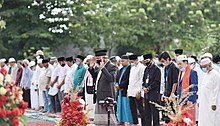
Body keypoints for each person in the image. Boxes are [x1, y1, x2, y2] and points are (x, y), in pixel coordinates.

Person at [94, 49, 117, 125]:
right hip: (99, 94)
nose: (98, 61)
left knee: (108, 117)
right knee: (99, 116)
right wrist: (91, 69)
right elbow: (96, 78)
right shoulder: (99, 67)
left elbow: (111, 79)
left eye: (99, 59)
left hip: (107, 96)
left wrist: (103, 68)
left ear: (104, 58)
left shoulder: (111, 67)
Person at [176, 55, 198, 124]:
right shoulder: (180, 73)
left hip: (189, 102)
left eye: (180, 64)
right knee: (182, 120)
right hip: (181, 101)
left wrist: (190, 100)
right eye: (178, 64)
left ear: (185, 63)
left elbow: (194, 87)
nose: (179, 66)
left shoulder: (192, 72)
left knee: (189, 121)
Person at [198, 58, 220, 126]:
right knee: (203, 120)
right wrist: (199, 100)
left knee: (211, 120)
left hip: (211, 103)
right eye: (202, 67)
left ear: (209, 65)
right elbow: (202, 88)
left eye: (205, 67)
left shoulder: (216, 75)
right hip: (203, 102)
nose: (204, 69)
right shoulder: (206, 75)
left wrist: (214, 103)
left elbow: (216, 90)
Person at [159, 52, 179, 123]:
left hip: (173, 93)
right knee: (166, 113)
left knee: (173, 113)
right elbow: (165, 81)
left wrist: (172, 93)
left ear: (168, 59)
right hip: (166, 92)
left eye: (163, 61)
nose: (162, 63)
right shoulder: (166, 67)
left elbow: (175, 82)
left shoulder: (174, 67)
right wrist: (164, 93)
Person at [142, 54, 161, 126]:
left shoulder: (156, 69)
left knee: (155, 114)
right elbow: (144, 80)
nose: (146, 62)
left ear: (151, 60)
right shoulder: (146, 69)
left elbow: (157, 81)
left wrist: (149, 88)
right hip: (146, 94)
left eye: (147, 60)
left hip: (153, 94)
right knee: (147, 113)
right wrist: (144, 87)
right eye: (145, 61)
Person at [127, 54, 146, 126]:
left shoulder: (142, 67)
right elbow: (130, 80)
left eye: (132, 61)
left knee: (140, 108)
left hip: (137, 91)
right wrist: (128, 90)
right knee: (132, 108)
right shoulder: (132, 68)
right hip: (131, 90)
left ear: (135, 60)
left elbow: (142, 80)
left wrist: (139, 91)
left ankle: (144, 123)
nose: (131, 63)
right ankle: (135, 122)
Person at [115, 55, 133, 125]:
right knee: (120, 106)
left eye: (123, 61)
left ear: (128, 60)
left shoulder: (130, 69)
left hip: (126, 90)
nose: (121, 63)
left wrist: (120, 86)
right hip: (120, 90)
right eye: (121, 61)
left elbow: (127, 80)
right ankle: (121, 120)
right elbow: (117, 78)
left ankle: (128, 120)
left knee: (126, 106)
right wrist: (117, 85)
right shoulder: (121, 69)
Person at [83, 55, 99, 120]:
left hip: (93, 87)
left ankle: (92, 116)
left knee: (92, 102)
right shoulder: (86, 68)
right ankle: (88, 115)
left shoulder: (97, 68)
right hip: (87, 87)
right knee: (88, 102)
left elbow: (94, 76)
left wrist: (91, 68)